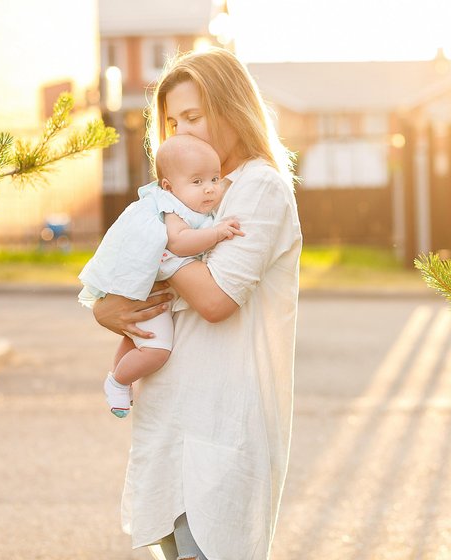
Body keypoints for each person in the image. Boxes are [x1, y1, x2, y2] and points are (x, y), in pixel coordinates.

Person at [91, 47, 301, 560]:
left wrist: (161, 247)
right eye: (171, 121)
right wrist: (106, 309)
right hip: (169, 419)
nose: (181, 131)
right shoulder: (177, 198)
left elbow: (214, 300)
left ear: (232, 109)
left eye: (193, 116)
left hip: (222, 423)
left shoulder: (259, 187)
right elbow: (116, 292)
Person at [78, 135, 243, 418]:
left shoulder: (191, 206)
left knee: (136, 338)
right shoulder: (172, 208)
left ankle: (121, 379)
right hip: (151, 291)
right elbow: (178, 243)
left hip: (150, 292)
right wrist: (216, 234)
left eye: (214, 179)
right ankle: (118, 381)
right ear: (169, 186)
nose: (209, 189)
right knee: (157, 350)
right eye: (197, 182)